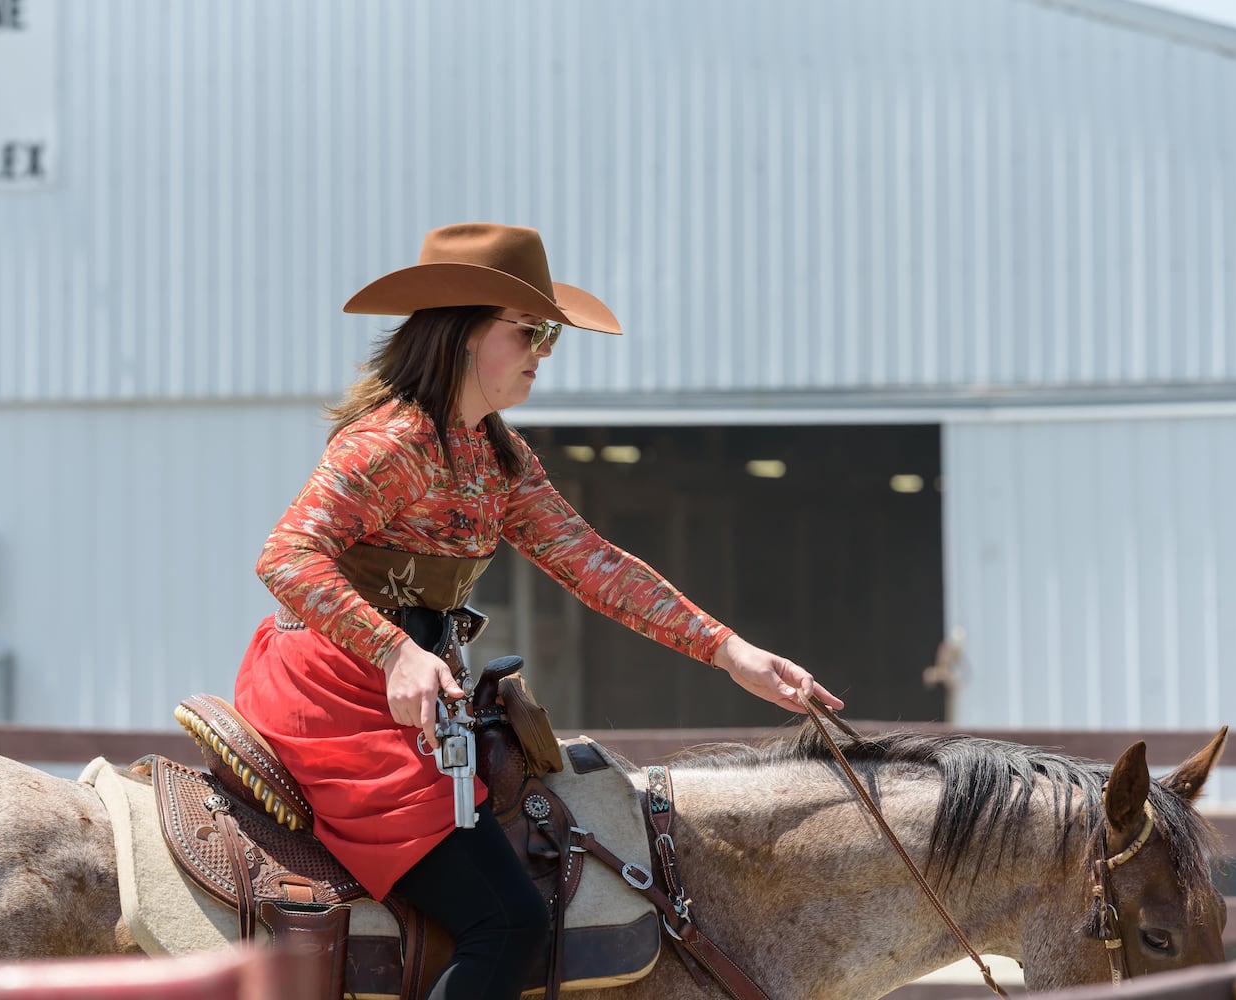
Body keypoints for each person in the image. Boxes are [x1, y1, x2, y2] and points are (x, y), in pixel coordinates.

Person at [234, 222, 843, 999]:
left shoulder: (499, 458)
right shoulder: (387, 444)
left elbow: (596, 565)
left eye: (549, 333)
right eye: (529, 330)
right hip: (335, 691)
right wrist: (395, 650)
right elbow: (284, 556)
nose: (544, 351)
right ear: (460, 335)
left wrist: (730, 651)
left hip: (410, 692)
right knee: (509, 920)